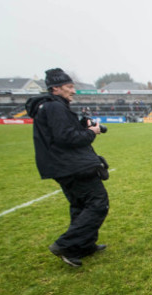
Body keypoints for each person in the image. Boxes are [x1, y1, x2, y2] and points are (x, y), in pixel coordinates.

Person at [25, 68, 108, 268]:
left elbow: (61, 133)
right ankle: (66, 244)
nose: (73, 91)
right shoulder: (55, 107)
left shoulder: (49, 107)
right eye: (69, 87)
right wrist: (91, 132)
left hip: (61, 166)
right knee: (98, 203)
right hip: (72, 165)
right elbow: (67, 138)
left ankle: (83, 246)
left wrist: (80, 125)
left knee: (79, 205)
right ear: (55, 88)